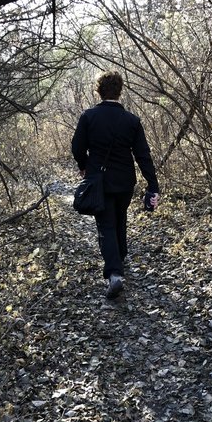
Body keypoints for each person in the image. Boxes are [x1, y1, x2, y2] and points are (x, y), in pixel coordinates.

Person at [71, 70, 160, 299]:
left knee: (106, 225)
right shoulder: (132, 120)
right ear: (120, 91)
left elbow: (77, 147)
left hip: (99, 181)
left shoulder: (88, 117)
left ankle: (114, 274)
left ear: (98, 91)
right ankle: (120, 258)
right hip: (125, 181)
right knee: (120, 218)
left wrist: (84, 164)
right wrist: (153, 184)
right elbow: (143, 155)